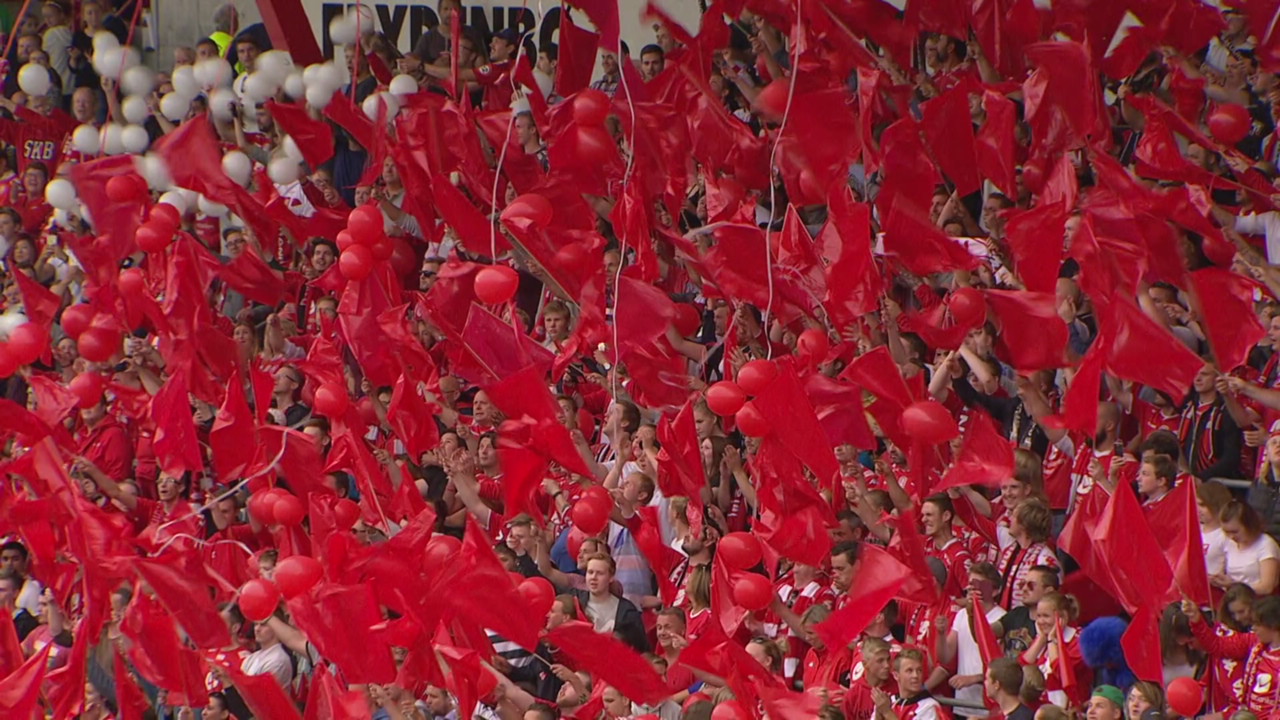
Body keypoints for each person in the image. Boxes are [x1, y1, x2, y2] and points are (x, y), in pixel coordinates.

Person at [1185, 595, 1280, 718]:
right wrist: (1197, 620)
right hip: (1241, 714)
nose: (1253, 628)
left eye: (1258, 624)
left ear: (1273, 625)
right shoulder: (1253, 641)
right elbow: (1218, 645)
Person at [569, 553, 648, 652]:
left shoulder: (627, 611)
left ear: (611, 577)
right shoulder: (574, 600)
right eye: (590, 572)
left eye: (600, 573)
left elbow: (641, 648)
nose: (593, 577)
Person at [1216, 500, 1280, 595]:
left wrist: (1234, 585)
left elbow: (1267, 587)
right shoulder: (1230, 544)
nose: (1231, 537)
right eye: (1226, 532)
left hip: (1260, 604)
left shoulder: (1266, 545)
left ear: (1249, 525)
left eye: (1235, 531)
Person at [873, 647, 950, 720]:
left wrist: (887, 712)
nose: (915, 675)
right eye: (909, 671)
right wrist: (879, 713)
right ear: (896, 675)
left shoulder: (929, 706)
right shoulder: (889, 701)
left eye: (919, 670)